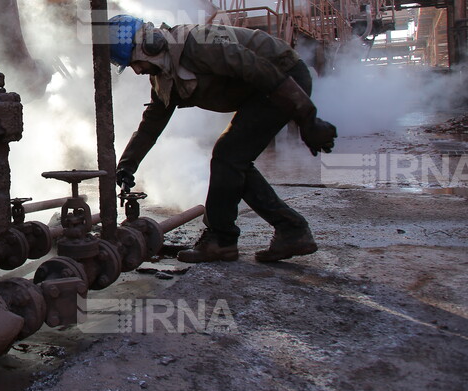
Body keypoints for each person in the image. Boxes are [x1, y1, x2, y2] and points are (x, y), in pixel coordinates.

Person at [109, 16, 338, 263]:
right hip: (261, 90)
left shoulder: (196, 43)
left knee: (228, 157)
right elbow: (151, 124)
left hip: (282, 77)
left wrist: (308, 118)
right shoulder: (163, 74)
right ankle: (291, 231)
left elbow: (258, 68)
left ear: (147, 46)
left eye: (134, 63)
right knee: (232, 160)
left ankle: (222, 240)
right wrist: (127, 165)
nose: (137, 70)